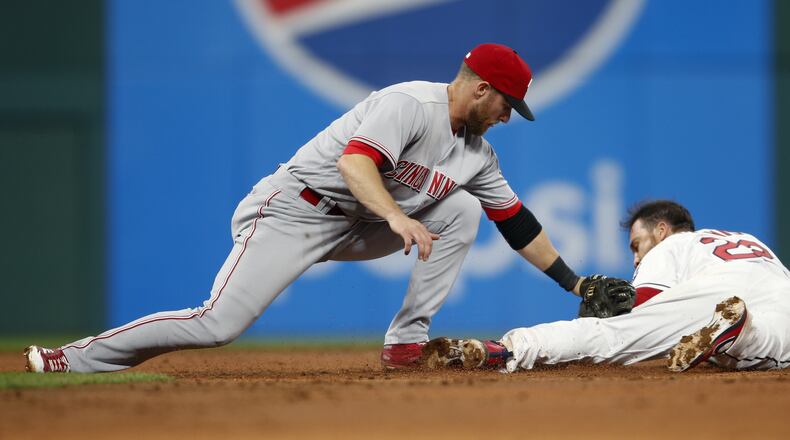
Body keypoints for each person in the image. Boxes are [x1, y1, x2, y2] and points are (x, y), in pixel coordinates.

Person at [25, 43, 610, 373]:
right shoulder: (409, 103)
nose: (509, 117)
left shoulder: (479, 155)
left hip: (359, 224)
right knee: (217, 324)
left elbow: (517, 223)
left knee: (461, 210)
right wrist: (396, 217)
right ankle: (69, 359)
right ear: (482, 89)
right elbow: (354, 164)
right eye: (508, 105)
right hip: (292, 211)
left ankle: (405, 342)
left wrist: (574, 283)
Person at [422, 200, 790, 372]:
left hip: (717, 290)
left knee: (608, 334)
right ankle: (741, 332)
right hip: (781, 287)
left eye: (636, 245)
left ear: (660, 230)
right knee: (774, 348)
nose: (635, 259)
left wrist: (617, 318)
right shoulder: (745, 237)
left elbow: (641, 314)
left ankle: (503, 350)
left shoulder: (674, 244)